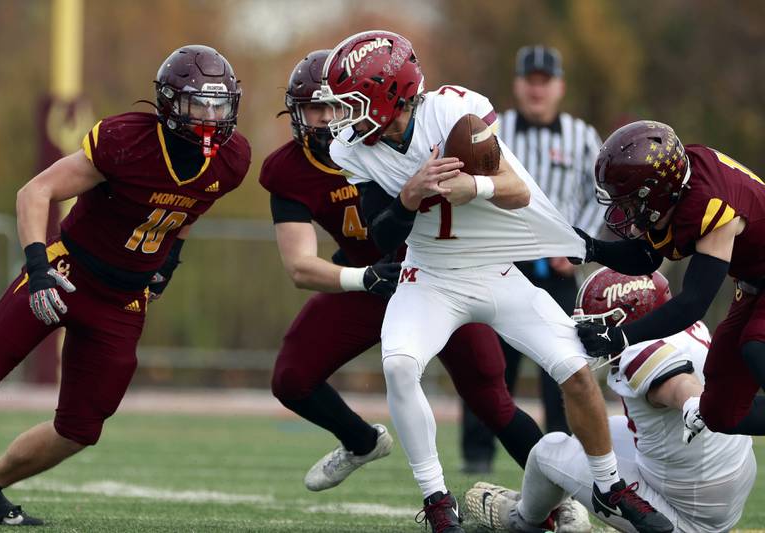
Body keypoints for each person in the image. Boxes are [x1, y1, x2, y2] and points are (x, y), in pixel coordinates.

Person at [319, 30, 672, 533]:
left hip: (495, 268)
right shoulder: (355, 150)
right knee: (399, 365)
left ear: (388, 90)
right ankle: (438, 501)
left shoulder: (451, 112)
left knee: (574, 367)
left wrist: (474, 185)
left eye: (351, 101)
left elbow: (515, 192)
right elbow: (381, 237)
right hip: (430, 277)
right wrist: (410, 197)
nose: (343, 116)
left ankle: (610, 486)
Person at [0, 45, 250, 526]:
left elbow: (188, 209)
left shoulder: (232, 159)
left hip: (123, 299)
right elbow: (35, 191)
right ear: (167, 103)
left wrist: (170, 262)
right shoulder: (126, 140)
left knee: (80, 428)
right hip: (67, 272)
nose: (209, 115)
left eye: (218, 105)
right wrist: (37, 268)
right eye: (197, 103)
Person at [260, 50, 544, 493]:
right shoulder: (290, 169)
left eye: (335, 105)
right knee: (291, 379)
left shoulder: (401, 137)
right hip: (366, 277)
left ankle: (557, 494)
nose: (326, 118)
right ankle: (361, 442)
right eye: (314, 108)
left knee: (491, 399)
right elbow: (300, 266)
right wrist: (365, 278)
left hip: (434, 275)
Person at [466, 267, 756, 533]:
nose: (590, 333)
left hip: (686, 515)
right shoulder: (689, 326)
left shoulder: (640, 353)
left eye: (599, 323)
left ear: (627, 317)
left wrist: (693, 402)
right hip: (719, 490)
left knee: (548, 450)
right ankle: (557, 503)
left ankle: (524, 520)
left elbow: (678, 384)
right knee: (597, 433)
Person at [461, 45, 605, 474]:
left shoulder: (583, 136)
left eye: (546, 81)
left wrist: (576, 244)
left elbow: (600, 194)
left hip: (558, 271)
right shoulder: (495, 130)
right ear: (517, 85)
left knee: (562, 366)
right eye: (531, 80)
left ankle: (565, 457)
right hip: (502, 265)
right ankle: (477, 457)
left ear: (559, 86)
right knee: (490, 365)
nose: (537, 89)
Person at [572, 120, 765, 437]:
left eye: (631, 202)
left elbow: (692, 303)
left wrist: (621, 337)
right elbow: (646, 257)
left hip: (758, 282)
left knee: (756, 346)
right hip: (752, 283)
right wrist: (591, 248)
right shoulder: (675, 184)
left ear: (656, 192)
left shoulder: (712, 204)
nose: (625, 212)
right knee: (720, 412)